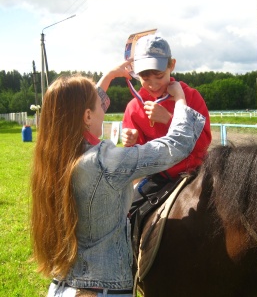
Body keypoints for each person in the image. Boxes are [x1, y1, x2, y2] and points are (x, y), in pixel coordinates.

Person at [30, 59, 206, 297]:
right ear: (87, 116)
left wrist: (111, 75)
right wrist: (181, 98)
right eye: (100, 105)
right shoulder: (105, 161)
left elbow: (73, 107)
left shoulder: (56, 157)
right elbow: (176, 145)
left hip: (62, 287)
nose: (106, 107)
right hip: (104, 290)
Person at [122, 34, 212, 200]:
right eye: (145, 78)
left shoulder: (191, 97)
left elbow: (203, 144)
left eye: (159, 76)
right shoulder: (134, 108)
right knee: (129, 212)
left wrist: (170, 119)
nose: (153, 84)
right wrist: (131, 141)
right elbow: (133, 159)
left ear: (172, 65)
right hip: (158, 178)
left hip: (197, 174)